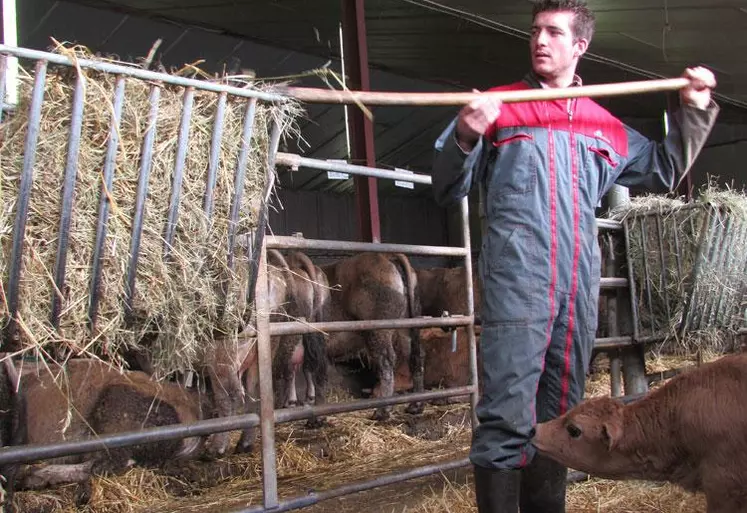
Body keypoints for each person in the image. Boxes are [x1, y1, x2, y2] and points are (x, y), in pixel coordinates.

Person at [430, 1, 719, 512]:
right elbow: (447, 185)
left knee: (563, 415)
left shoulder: (602, 121)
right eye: (536, 31)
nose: (540, 40)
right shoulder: (499, 107)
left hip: (577, 287)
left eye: (554, 32)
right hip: (518, 281)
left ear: (579, 45)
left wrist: (693, 108)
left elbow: (664, 168)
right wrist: (466, 133)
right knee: (506, 413)